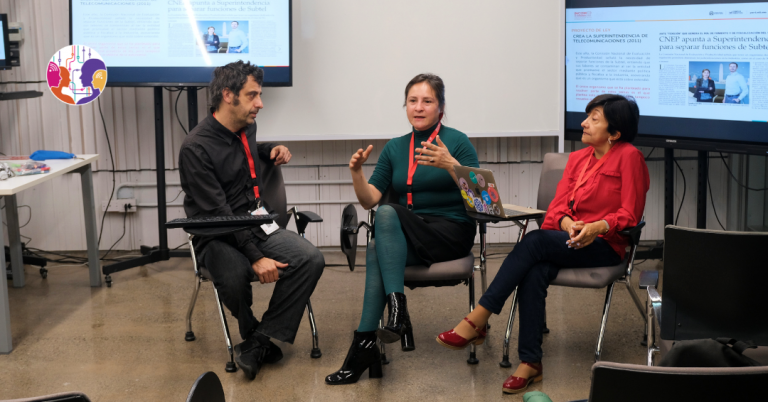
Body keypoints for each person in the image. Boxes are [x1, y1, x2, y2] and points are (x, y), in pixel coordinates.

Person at [437, 94, 649, 394]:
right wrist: (567, 223)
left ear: (614, 133)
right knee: (534, 270)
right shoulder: (577, 159)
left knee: (534, 241)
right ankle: (530, 364)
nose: (584, 123)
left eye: (594, 119)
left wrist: (597, 226)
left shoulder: (630, 157)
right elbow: (556, 209)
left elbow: (630, 214)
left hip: (606, 246)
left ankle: (479, 318)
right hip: (570, 241)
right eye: (587, 116)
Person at [325, 73, 480, 385]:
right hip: (410, 232)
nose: (419, 107)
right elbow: (370, 199)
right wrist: (356, 173)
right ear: (405, 106)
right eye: (412, 101)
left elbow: (481, 200)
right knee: (381, 223)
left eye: (427, 101)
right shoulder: (396, 148)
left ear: (441, 107)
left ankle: (367, 343)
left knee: (380, 232)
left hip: (451, 232)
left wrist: (451, 164)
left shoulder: (457, 142)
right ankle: (378, 331)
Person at [178, 60, 325, 380]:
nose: (260, 103)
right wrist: (257, 258)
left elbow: (241, 150)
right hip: (216, 232)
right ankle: (251, 330)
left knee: (310, 258)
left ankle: (258, 342)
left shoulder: (246, 127)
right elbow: (220, 215)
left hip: (256, 222)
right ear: (228, 95)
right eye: (253, 95)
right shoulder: (195, 148)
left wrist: (271, 148)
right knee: (234, 273)